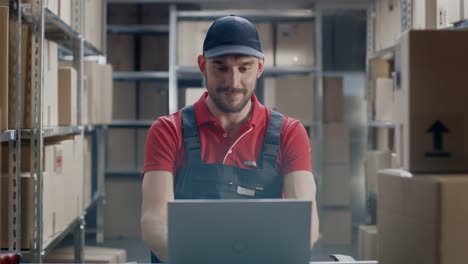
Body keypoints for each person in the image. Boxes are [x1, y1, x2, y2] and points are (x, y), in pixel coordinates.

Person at [141, 15, 319, 263]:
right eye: (220, 67)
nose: (233, 82)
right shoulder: (168, 131)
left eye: (244, 67)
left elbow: (305, 222)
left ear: (260, 67)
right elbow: (154, 219)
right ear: (203, 66)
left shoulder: (289, 133)